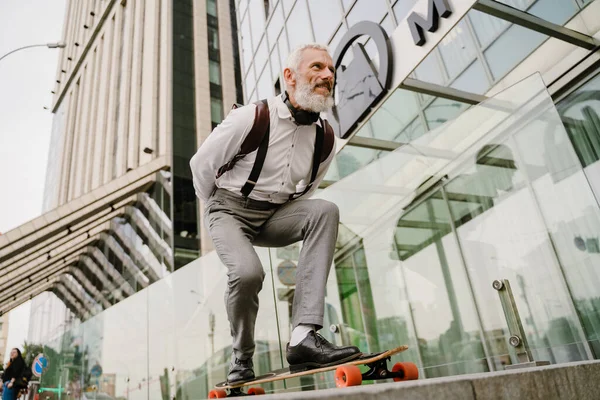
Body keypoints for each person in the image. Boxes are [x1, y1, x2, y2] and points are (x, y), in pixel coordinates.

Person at [190, 43, 361, 383]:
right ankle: (242, 357)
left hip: (275, 213)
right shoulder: (251, 118)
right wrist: (216, 210)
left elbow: (308, 191)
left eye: (331, 70)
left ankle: (302, 337)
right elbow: (201, 166)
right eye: (317, 67)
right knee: (248, 273)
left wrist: (284, 212)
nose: (328, 75)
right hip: (228, 208)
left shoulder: (326, 137)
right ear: (290, 76)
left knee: (324, 210)